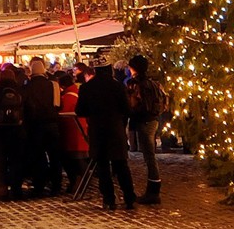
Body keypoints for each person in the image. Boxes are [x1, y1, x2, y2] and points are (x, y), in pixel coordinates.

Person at [75, 62, 136, 211]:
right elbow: (127, 109)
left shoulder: (86, 87)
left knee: (102, 166)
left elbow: (80, 110)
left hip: (97, 130)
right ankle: (129, 198)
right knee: (121, 165)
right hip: (115, 129)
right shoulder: (118, 86)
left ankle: (109, 200)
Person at [127, 54, 166, 206]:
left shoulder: (135, 84)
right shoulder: (153, 83)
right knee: (150, 154)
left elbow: (132, 104)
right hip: (154, 119)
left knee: (149, 156)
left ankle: (153, 191)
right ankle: (153, 189)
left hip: (143, 120)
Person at [22, 58, 62, 196]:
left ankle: (39, 184)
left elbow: (25, 106)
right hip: (52, 124)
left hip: (35, 125)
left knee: (38, 156)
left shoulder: (27, 86)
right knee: (55, 155)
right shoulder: (54, 85)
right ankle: (57, 184)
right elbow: (57, 105)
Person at [0, 66, 28, 198]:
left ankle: (3, 189)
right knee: (17, 160)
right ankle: (17, 189)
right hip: (17, 129)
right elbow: (29, 108)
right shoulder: (20, 90)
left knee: (1, 160)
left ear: (0, 78)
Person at [57, 72, 89, 193]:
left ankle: (79, 183)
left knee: (75, 161)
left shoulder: (67, 98)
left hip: (72, 134)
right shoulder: (77, 93)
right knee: (78, 160)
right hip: (80, 132)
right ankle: (80, 182)